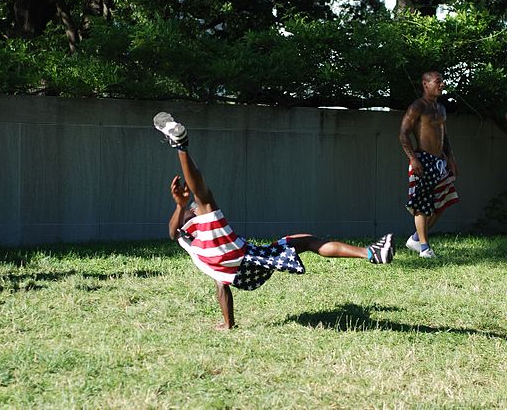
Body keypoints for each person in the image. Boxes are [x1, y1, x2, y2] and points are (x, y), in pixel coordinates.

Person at [154, 111, 395, 330]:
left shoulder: (210, 254)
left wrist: (228, 324)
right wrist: (180, 205)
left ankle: (373, 253)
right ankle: (181, 145)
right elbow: (174, 232)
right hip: (237, 257)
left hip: (242, 261)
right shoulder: (196, 224)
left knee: (304, 240)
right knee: (205, 197)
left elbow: (220, 284)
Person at [398, 71, 459, 258]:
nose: (442, 85)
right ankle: (425, 248)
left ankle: (416, 238)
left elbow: (444, 135)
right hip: (423, 159)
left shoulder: (441, 108)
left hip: (440, 161)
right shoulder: (417, 106)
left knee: (444, 200)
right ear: (425, 84)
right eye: (438, 82)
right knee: (422, 204)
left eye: (442, 82)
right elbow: (403, 134)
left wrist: (450, 157)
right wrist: (413, 159)